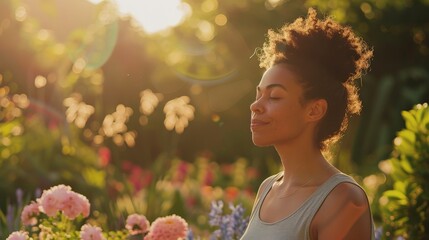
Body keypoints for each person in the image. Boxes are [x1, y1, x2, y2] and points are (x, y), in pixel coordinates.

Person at [241, 8, 374, 240]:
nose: (256, 106)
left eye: (274, 97)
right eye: (258, 95)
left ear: (314, 110)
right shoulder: (268, 189)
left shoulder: (342, 199)